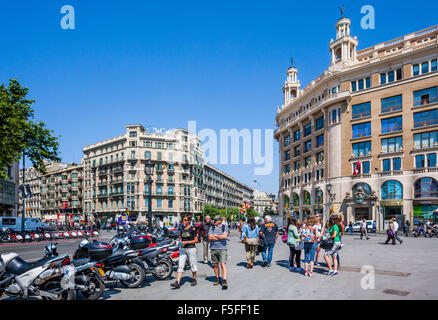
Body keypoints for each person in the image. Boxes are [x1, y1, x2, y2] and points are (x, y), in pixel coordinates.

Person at [170, 214, 198, 289]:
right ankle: (177, 282)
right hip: (182, 249)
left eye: (185, 220)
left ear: (189, 221)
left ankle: (194, 279)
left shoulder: (193, 229)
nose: (183, 221)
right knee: (180, 265)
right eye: (183, 220)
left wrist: (187, 242)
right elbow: (181, 239)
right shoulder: (182, 229)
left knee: (192, 264)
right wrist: (179, 243)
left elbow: (196, 240)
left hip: (191, 248)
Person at [208, 215, 229, 289]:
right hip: (213, 248)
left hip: (222, 248)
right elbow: (210, 237)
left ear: (219, 221)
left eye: (215, 220)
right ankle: (217, 278)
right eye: (214, 220)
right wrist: (220, 237)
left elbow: (225, 236)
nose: (214, 221)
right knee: (215, 265)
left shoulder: (224, 227)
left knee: (223, 264)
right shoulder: (212, 227)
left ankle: (224, 280)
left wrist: (215, 235)